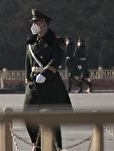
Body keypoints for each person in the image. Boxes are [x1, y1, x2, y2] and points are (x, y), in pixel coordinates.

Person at [23, 9, 72, 151]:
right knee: (27, 115)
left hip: (50, 84)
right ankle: (37, 144)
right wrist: (27, 80)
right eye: (33, 22)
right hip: (34, 84)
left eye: (36, 22)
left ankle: (55, 147)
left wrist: (45, 74)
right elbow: (27, 62)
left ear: (44, 24)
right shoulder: (31, 41)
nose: (34, 24)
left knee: (51, 119)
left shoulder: (57, 40)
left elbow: (57, 59)